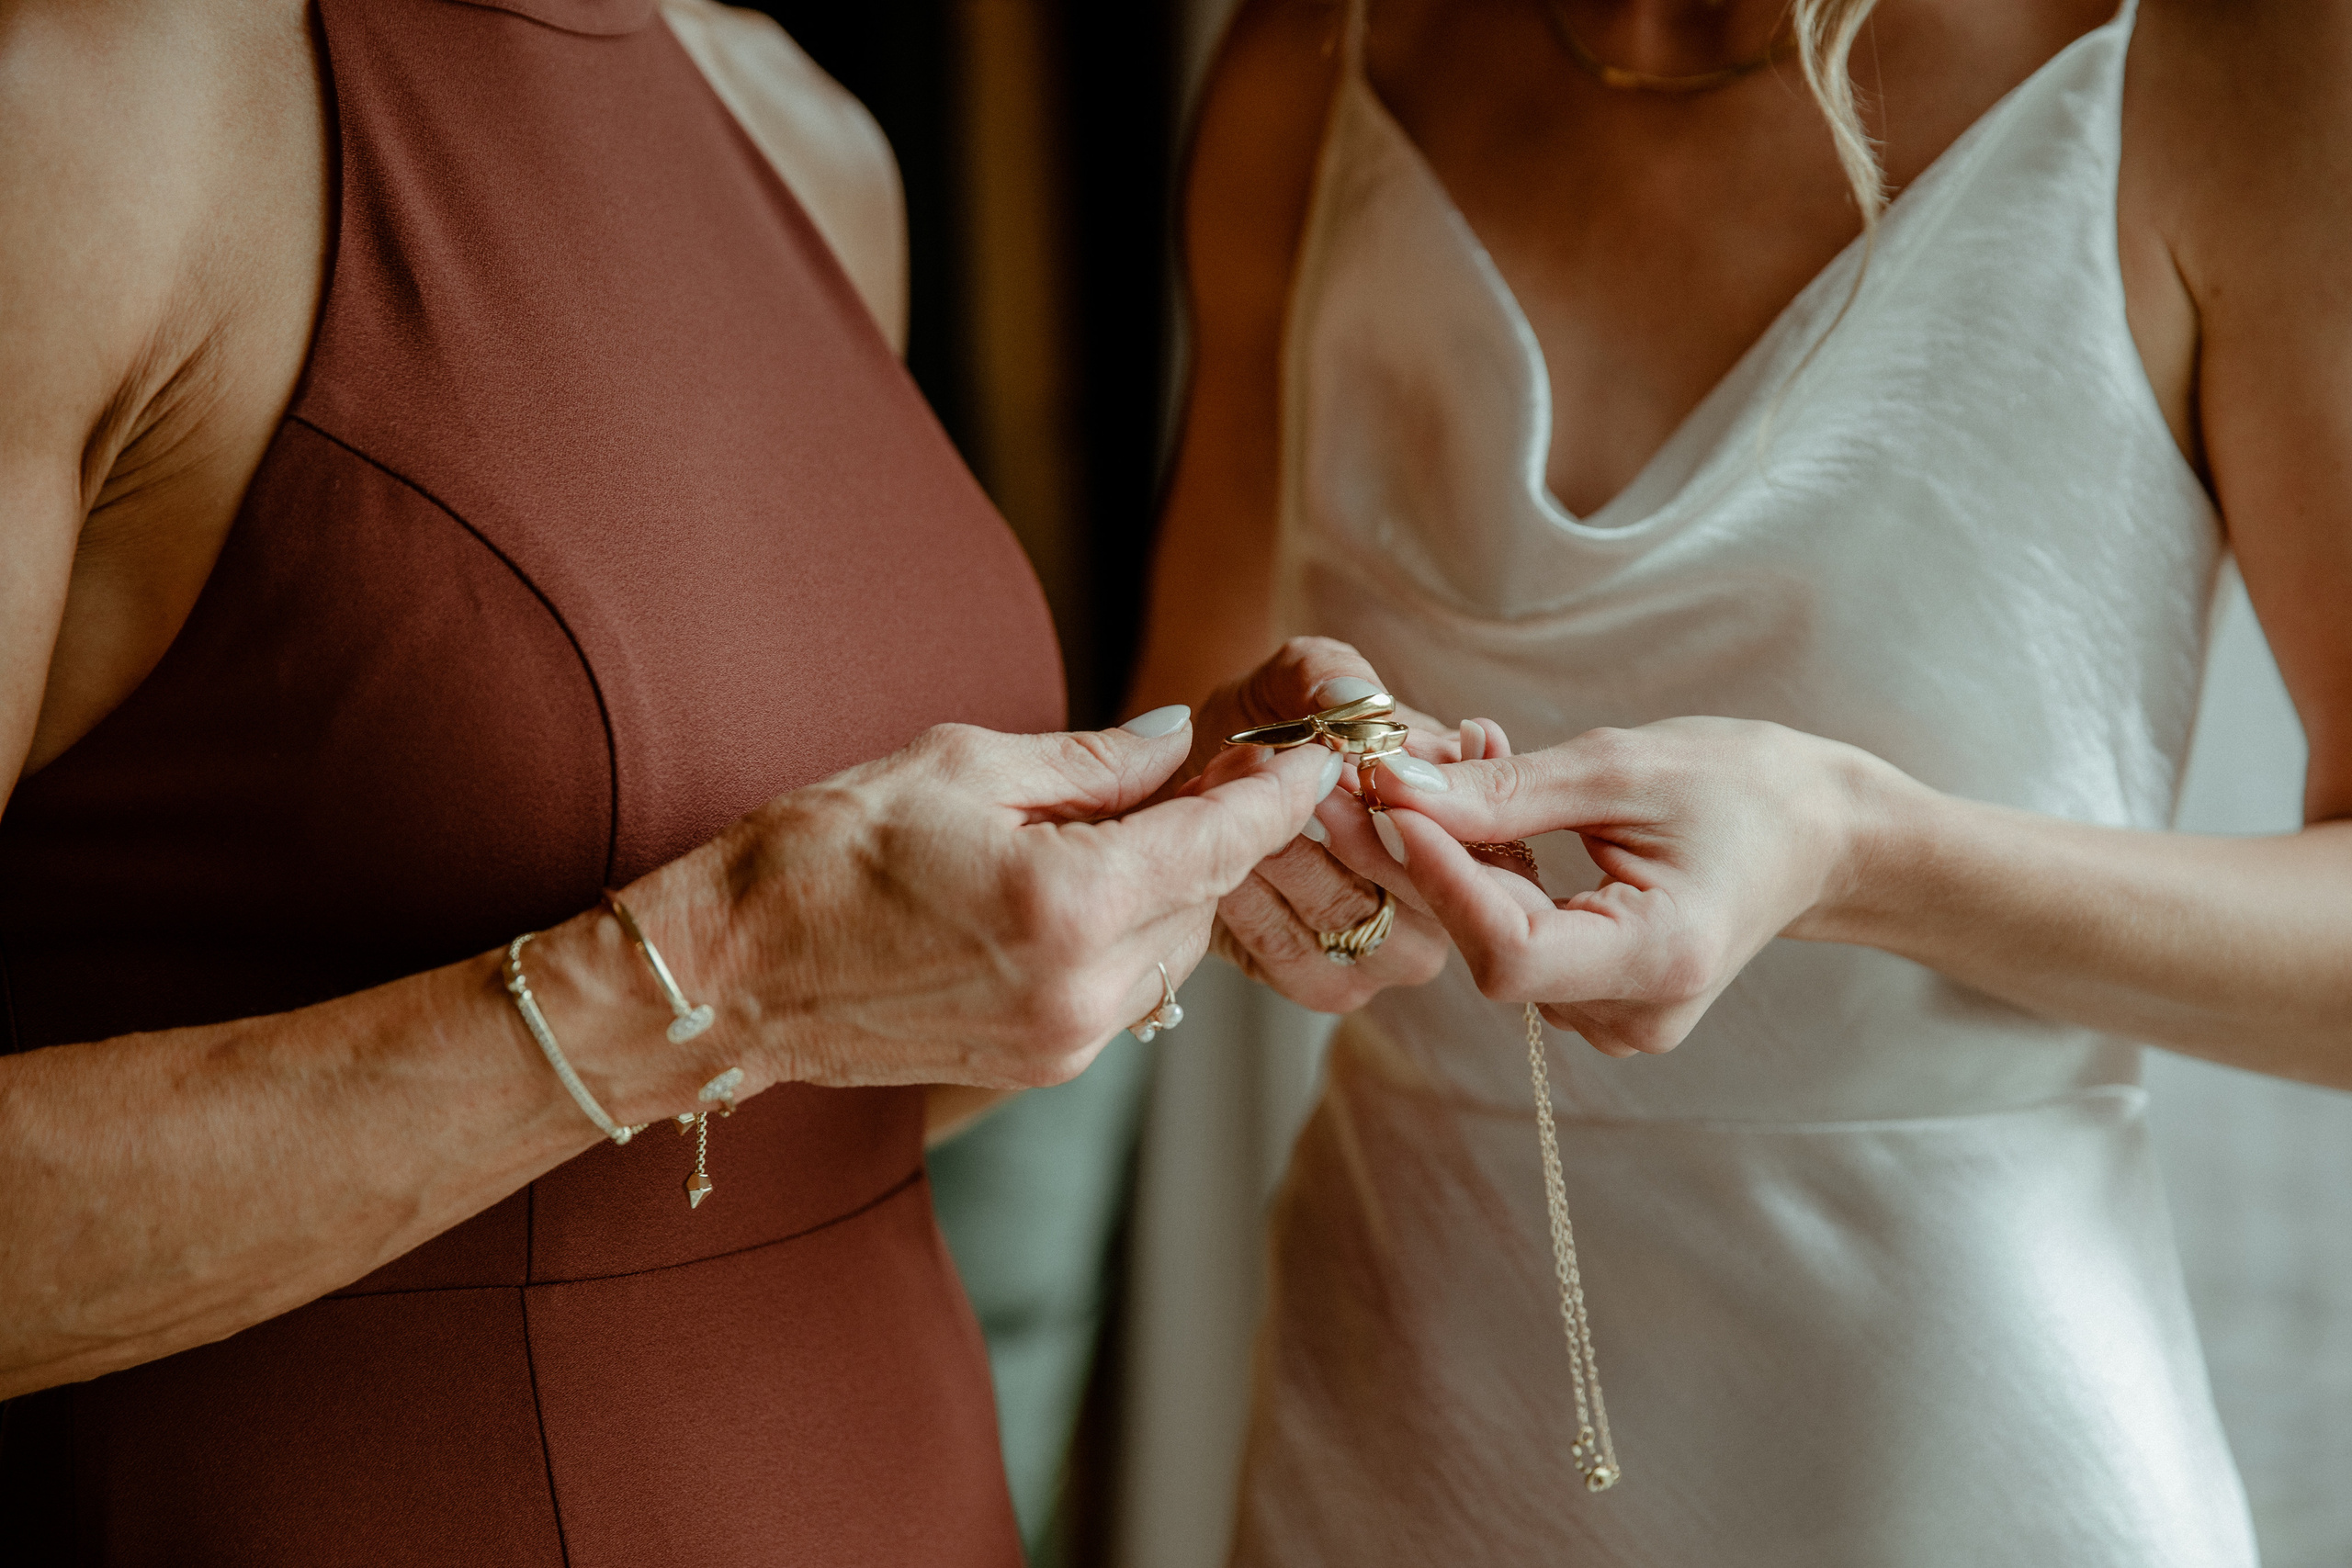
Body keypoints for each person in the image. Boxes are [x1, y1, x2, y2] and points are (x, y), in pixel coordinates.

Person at [0, 0, 1347, 1561]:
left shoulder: (809, 140)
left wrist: (1168, 858)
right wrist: (713, 974)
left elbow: (822, 1089)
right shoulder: (98, 111)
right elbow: (748, 994)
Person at [1132, 0, 2352, 1562]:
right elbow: (1175, 779)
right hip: (1398, 1428)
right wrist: (1272, 806)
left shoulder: (2235, 56)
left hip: (1953, 1461)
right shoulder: (1315, 61)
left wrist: (1858, 851)